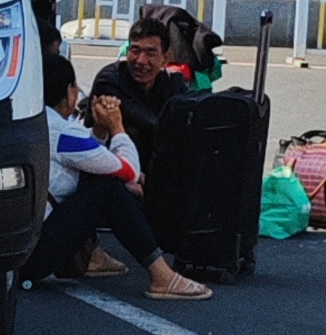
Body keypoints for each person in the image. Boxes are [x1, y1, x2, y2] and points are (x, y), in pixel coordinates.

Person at [19, 64, 210, 300]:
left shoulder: (33, 123)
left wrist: (99, 129)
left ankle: (93, 256)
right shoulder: (62, 132)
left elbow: (89, 157)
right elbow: (129, 170)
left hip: (19, 252)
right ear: (69, 92)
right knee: (110, 191)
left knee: (102, 178)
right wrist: (117, 127)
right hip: (34, 257)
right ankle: (162, 275)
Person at [82, 17, 188, 153]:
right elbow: (147, 123)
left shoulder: (170, 83)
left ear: (165, 59)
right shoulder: (110, 79)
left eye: (151, 53)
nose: (141, 60)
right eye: (135, 50)